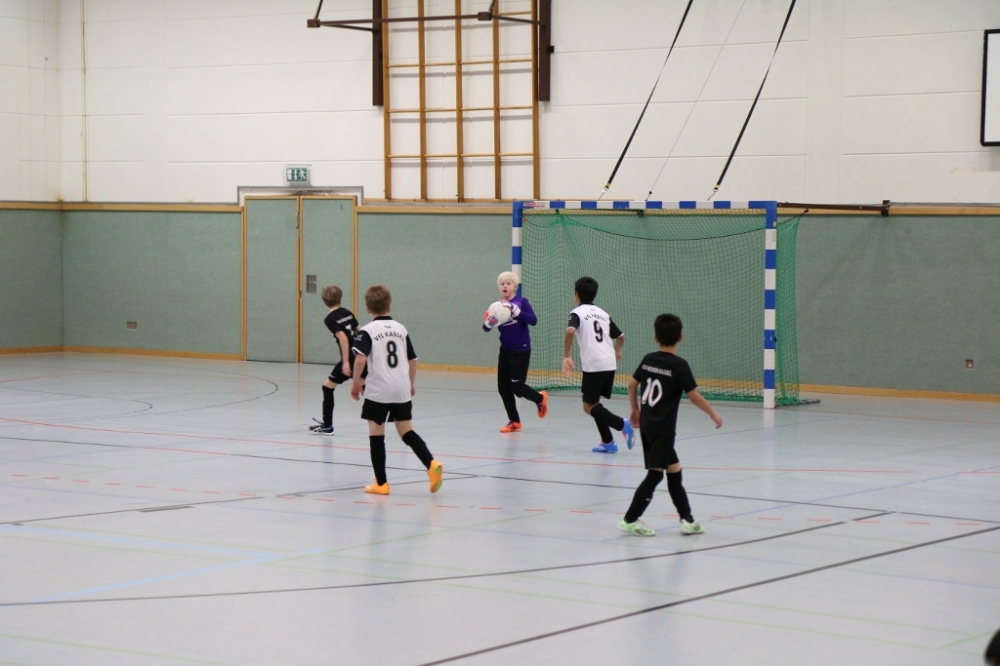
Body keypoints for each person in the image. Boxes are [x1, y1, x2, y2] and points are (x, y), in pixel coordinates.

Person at [618, 313, 722, 537]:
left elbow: (632, 385)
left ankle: (687, 520)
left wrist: (635, 409)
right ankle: (630, 519)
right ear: (681, 337)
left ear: (655, 337)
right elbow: (693, 395)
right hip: (663, 429)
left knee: (674, 470)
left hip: (648, 426)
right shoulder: (679, 366)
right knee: (655, 475)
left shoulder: (648, 359)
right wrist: (713, 413)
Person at [350, 285, 443, 496]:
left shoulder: (367, 331)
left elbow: (360, 359)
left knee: (376, 434)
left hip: (378, 389)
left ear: (368, 309)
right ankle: (431, 464)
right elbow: (413, 360)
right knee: (406, 431)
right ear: (389, 307)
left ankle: (381, 483)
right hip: (401, 387)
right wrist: (411, 384)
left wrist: (356, 383)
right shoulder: (401, 329)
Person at [562, 276, 634, 453]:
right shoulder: (603, 313)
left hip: (594, 364)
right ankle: (608, 442)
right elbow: (621, 337)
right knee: (594, 404)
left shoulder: (577, 313)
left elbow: (570, 332)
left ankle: (622, 424)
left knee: (588, 406)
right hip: (609, 363)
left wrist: (567, 356)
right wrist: (616, 351)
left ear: (576, 295)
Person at [482, 271, 548, 433]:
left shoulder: (522, 302)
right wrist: (489, 323)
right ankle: (514, 421)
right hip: (505, 350)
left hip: (521, 350)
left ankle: (540, 398)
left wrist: (516, 311)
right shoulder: (495, 307)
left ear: (515, 287)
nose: (505, 286)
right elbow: (486, 328)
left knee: (517, 386)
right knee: (503, 388)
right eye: (502, 284)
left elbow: (533, 320)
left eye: (508, 283)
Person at [309, 285, 358, 435]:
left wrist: (346, 362)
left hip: (350, 358)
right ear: (340, 298)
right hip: (359, 355)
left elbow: (343, 338)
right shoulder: (347, 312)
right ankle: (399, 412)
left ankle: (328, 426)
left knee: (328, 387)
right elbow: (360, 330)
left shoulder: (330, 319)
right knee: (372, 388)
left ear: (324, 301)